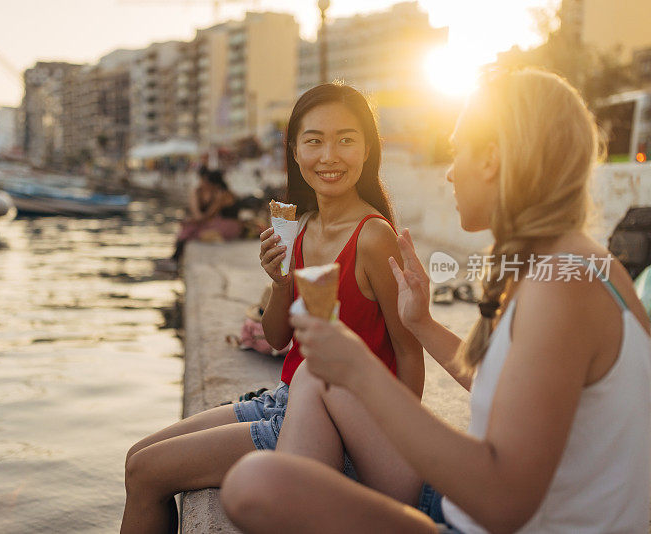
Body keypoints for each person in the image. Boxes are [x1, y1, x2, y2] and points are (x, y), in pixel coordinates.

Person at [220, 68, 651, 533]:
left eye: (456, 149)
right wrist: (422, 323)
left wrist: (360, 370)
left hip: (479, 521)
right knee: (310, 383)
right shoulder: (589, 267)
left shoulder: (560, 290)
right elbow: (516, 389)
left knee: (257, 483)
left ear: (490, 159)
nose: (448, 170)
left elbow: (503, 502)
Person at [121, 83, 424, 533]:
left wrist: (384, 445)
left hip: (334, 421)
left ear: (367, 150)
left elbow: (409, 350)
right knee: (134, 459)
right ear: (295, 151)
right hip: (284, 399)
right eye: (314, 140)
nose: (329, 155)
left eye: (346, 139)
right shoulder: (301, 229)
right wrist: (281, 283)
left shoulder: (374, 237)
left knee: (147, 475)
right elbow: (280, 338)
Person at [170, 167, 242, 263]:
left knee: (192, 230)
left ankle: (175, 258)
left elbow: (208, 215)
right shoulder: (220, 192)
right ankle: (175, 257)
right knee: (191, 228)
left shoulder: (221, 194)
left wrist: (191, 221)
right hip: (225, 223)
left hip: (229, 226)